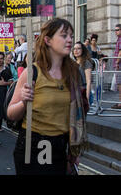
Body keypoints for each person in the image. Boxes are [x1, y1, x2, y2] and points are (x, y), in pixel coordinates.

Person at [7, 18, 88, 175]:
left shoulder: (74, 72)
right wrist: (24, 101)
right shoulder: (32, 72)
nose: (70, 40)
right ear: (48, 40)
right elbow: (11, 113)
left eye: (71, 35)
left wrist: (74, 152)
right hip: (33, 145)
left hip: (60, 145)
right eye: (64, 35)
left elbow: (79, 112)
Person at [112, 24, 121, 109]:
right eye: (115, 30)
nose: (116, 31)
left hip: (119, 65)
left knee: (120, 84)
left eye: (117, 30)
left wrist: (117, 63)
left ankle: (120, 103)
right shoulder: (118, 39)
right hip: (118, 65)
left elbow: (120, 52)